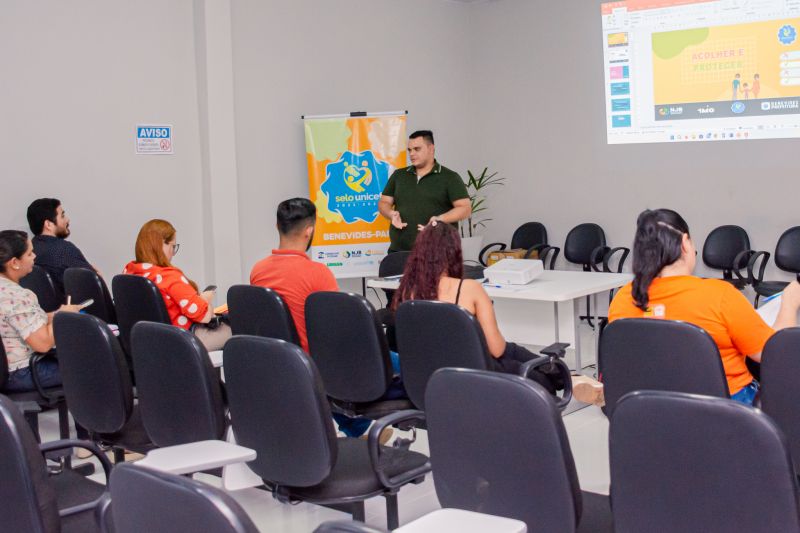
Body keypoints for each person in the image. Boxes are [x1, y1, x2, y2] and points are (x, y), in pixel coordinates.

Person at [391, 221, 603, 404]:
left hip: (430, 374)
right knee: (512, 353)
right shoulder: (468, 288)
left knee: (514, 351)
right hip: (476, 373)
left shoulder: (406, 292)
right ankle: (568, 378)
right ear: (453, 252)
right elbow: (497, 348)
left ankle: (570, 377)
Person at [608, 209, 800, 405]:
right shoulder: (719, 295)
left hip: (651, 408)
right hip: (726, 410)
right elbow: (774, 355)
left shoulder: (623, 299)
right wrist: (789, 304)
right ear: (684, 243)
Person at [250, 198, 395, 439]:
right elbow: (338, 325)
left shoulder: (258, 270)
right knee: (398, 360)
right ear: (309, 230)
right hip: (316, 359)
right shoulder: (318, 273)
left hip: (279, 356)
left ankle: (360, 429)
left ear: (277, 226)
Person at [123, 220, 230, 351]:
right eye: (173, 247)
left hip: (145, 341)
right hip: (182, 340)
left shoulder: (129, 271)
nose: (173, 253)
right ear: (161, 245)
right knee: (240, 330)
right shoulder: (169, 276)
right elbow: (204, 316)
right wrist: (206, 299)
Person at [0, 230, 82, 391]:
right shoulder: (16, 296)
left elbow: (18, 323)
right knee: (93, 364)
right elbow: (43, 344)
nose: (35, 257)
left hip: (7, 370)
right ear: (15, 262)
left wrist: (55, 315)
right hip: (24, 372)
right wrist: (64, 316)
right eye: (30, 253)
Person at [378, 130, 471, 252]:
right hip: (400, 252)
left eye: (417, 149)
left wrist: (440, 219)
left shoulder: (450, 177)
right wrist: (391, 214)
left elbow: (465, 208)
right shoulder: (398, 175)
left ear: (431, 148)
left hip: (438, 253)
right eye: (409, 150)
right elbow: (384, 202)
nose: (412, 154)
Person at [27, 198, 98, 296]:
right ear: (48, 224)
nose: (67, 220)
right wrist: (98, 275)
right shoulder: (64, 250)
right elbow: (94, 284)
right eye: (62, 216)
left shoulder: (29, 252)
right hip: (72, 309)